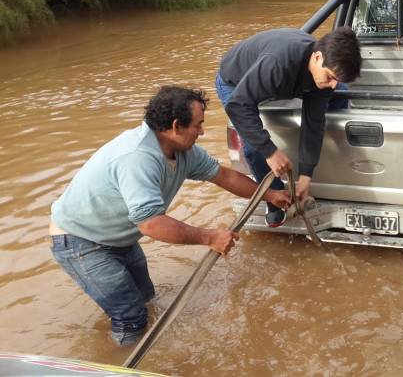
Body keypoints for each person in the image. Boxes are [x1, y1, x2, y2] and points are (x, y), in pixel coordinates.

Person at [49, 86, 290, 346]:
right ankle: (123, 365)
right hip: (80, 241)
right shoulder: (138, 158)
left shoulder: (182, 150)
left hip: (117, 236)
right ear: (176, 126)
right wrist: (209, 237)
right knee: (131, 316)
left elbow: (224, 176)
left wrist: (270, 196)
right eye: (198, 125)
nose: (202, 132)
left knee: (146, 299)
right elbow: (151, 224)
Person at [215, 27, 362, 227]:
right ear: (317, 57)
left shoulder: (323, 76)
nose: (333, 84)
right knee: (252, 147)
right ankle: (275, 198)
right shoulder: (277, 65)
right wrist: (270, 151)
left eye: (337, 78)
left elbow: (314, 123)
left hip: (285, 77)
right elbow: (238, 105)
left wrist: (305, 175)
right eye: (330, 77)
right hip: (235, 81)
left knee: (338, 94)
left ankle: (322, 170)